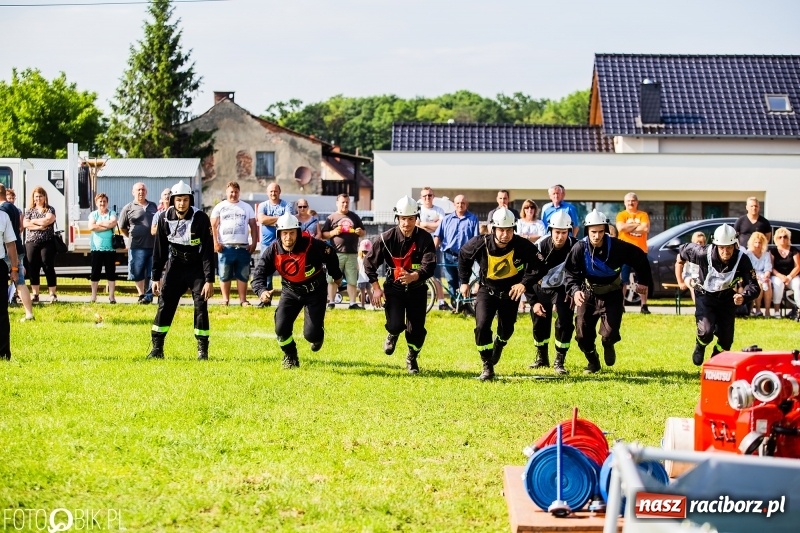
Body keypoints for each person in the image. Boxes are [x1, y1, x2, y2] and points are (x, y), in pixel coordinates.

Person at [459, 207, 543, 381]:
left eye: (509, 230)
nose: (505, 234)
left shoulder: (522, 245)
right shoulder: (480, 243)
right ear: (493, 229)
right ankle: (487, 365)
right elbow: (463, 256)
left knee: (507, 329)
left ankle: (500, 343)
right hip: (486, 291)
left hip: (510, 294)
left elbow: (539, 266)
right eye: (501, 230)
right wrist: (464, 281)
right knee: (482, 327)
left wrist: (523, 284)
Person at [564, 210, 653, 373]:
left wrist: (643, 282)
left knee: (609, 334)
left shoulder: (617, 247)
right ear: (587, 231)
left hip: (612, 294)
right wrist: (575, 290)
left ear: (605, 230)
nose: (596, 236)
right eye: (593, 232)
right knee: (582, 335)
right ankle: (593, 361)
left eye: (600, 232)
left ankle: (608, 344)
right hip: (588, 293)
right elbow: (570, 272)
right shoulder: (579, 248)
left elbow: (639, 257)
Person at [251, 213, 343, 368]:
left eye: (291, 233)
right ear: (279, 234)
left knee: (311, 335)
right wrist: (261, 291)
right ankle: (290, 356)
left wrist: (336, 275)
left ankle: (317, 336)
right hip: (290, 292)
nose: (288, 237)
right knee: (280, 328)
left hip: (315, 291)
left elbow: (331, 253)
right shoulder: (273, 250)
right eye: (284, 233)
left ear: (298, 233)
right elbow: (258, 274)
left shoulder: (312, 245)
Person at [364, 197, 436, 374]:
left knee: (416, 331)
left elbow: (430, 265)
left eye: (411, 218)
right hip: (393, 289)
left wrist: (414, 276)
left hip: (417, 290)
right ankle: (393, 334)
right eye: (403, 218)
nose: (407, 223)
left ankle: (412, 357)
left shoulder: (425, 239)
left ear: (416, 218)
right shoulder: (386, 238)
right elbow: (369, 263)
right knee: (395, 324)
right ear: (397, 218)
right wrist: (376, 288)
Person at [147, 181, 214, 361]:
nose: (182, 204)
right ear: (173, 201)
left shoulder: (201, 218)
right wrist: (155, 277)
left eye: (185, 200)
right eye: (178, 200)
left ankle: (202, 351)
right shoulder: (163, 218)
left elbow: (208, 250)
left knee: (201, 306)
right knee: (165, 303)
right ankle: (157, 349)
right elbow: (159, 250)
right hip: (175, 265)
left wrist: (209, 280)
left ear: (190, 200)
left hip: (196, 266)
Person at [675, 224, 759, 365]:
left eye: (729, 247)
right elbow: (682, 251)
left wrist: (744, 296)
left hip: (727, 299)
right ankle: (700, 345)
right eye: (721, 248)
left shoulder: (742, 260)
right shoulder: (701, 253)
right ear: (715, 245)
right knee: (706, 332)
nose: (725, 252)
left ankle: (715, 361)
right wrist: (680, 263)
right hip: (705, 296)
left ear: (735, 245)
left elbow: (754, 286)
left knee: (726, 341)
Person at [527, 212, 576, 375]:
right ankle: (542, 357)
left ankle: (559, 360)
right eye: (557, 232)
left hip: (564, 289)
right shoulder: (539, 246)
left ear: (569, 231)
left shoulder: (576, 246)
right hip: (541, 287)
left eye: (564, 233)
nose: (560, 237)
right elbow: (528, 274)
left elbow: (582, 271)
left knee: (564, 320)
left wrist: (575, 290)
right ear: (550, 230)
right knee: (539, 320)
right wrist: (533, 302)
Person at [211, 181, 258, 306]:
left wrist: (253, 243)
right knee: (224, 273)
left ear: (239, 193)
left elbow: (253, 226)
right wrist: (215, 242)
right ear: (227, 192)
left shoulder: (246, 207)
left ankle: (243, 300)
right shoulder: (220, 207)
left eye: (236, 192)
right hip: (225, 247)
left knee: (243, 274)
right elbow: (213, 226)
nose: (233, 194)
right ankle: (225, 299)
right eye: (231, 192)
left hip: (242, 247)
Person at [434, 195, 480, 307]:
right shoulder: (446, 219)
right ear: (454, 204)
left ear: (466, 204)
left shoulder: (473, 219)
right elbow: (438, 236)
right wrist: (431, 251)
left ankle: (464, 306)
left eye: (463, 203)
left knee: (463, 281)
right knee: (451, 280)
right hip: (448, 255)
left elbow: (475, 239)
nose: (460, 205)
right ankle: (455, 305)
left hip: (465, 256)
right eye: (458, 203)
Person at [321, 194, 366, 310]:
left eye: (347, 202)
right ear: (337, 203)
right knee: (332, 278)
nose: (345, 204)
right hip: (336, 253)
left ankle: (352, 303)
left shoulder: (354, 217)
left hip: (352, 253)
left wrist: (359, 232)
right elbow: (323, 235)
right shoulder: (331, 218)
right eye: (343, 202)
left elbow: (363, 232)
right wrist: (333, 232)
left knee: (352, 279)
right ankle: (331, 302)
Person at [256, 183, 295, 307]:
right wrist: (279, 219)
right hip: (266, 245)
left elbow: (287, 220)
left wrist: (270, 219)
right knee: (266, 273)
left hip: (283, 245)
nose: (273, 193)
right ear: (268, 193)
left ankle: (288, 299)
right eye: (271, 191)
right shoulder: (263, 205)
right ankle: (265, 299)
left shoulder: (286, 205)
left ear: (280, 191)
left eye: (275, 191)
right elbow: (262, 220)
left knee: (287, 271)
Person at [119, 182, 158, 304]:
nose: (141, 192)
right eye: (138, 190)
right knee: (138, 271)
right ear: (133, 192)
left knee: (153, 271)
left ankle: (149, 295)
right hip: (136, 246)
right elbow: (122, 227)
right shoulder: (128, 208)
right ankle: (141, 294)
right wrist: (132, 235)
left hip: (153, 245)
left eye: (143, 189)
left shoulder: (153, 206)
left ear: (146, 192)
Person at [0, 186, 34, 322]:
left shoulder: (3, 210)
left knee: (18, 281)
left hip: (7, 250)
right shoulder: (15, 208)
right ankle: (29, 312)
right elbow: (20, 228)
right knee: (20, 281)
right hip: (17, 246)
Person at [615, 192, 652, 314]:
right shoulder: (621, 215)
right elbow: (620, 228)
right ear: (624, 202)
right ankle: (620, 305)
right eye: (628, 201)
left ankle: (644, 306)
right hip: (624, 251)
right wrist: (637, 225)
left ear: (637, 202)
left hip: (640, 251)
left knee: (642, 280)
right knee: (623, 280)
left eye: (633, 200)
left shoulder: (643, 215)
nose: (631, 203)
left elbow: (645, 229)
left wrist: (628, 226)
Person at [23, 186, 58, 304]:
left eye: (40, 196)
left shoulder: (50, 209)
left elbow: (48, 220)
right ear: (33, 198)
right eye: (36, 196)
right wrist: (39, 226)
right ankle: (35, 294)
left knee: (48, 266)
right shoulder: (29, 211)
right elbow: (25, 224)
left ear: (45, 197)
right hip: (31, 242)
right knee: (33, 267)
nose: (38, 198)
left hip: (47, 242)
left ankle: (52, 294)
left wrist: (33, 221)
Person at [417, 187, 448, 310]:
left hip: (436, 247)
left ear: (433, 196)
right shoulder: (418, 210)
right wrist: (433, 226)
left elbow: (442, 227)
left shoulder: (439, 210)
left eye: (429, 195)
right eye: (424, 196)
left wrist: (424, 224)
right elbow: (417, 227)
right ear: (421, 197)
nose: (427, 198)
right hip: (421, 247)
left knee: (436, 274)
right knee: (419, 273)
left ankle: (441, 302)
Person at [87, 193, 118, 304]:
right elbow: (91, 226)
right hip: (96, 248)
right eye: (100, 201)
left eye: (104, 201)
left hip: (110, 248)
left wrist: (99, 224)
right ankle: (94, 296)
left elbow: (113, 222)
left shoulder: (112, 213)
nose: (102, 203)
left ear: (107, 202)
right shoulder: (93, 214)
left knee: (111, 273)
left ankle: (112, 297)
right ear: (96, 203)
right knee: (95, 273)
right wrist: (106, 225)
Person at [0, 206, 20, 360]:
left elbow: (11, 244)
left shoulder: (3, 216)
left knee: (1, 312)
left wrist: (14, 268)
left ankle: (3, 353)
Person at [769, 227, 800, 317]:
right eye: (780, 237)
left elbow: (798, 266)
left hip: (792, 276)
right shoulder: (773, 251)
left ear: (788, 238)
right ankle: (777, 311)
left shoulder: (794, 250)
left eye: (785, 237)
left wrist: (789, 277)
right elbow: (771, 267)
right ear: (776, 239)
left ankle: (799, 310)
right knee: (778, 284)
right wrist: (781, 276)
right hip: (777, 276)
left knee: (798, 284)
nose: (783, 239)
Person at [745, 232, 772, 318]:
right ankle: (758, 309)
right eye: (755, 242)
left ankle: (767, 311)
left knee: (768, 284)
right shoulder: (748, 254)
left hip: (763, 275)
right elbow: (747, 268)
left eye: (760, 242)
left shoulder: (766, 254)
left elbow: (768, 268)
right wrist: (755, 276)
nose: (757, 245)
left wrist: (767, 275)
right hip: (752, 275)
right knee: (758, 284)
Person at [682, 231, 706, 304]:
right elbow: (679, 264)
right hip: (688, 275)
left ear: (704, 243)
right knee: (694, 284)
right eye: (696, 242)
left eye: (701, 242)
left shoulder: (705, 254)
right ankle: (697, 306)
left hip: (700, 276)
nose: (698, 244)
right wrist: (680, 282)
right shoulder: (688, 252)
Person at [356, 239, 373, 308]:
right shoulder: (370, 259)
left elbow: (357, 268)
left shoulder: (358, 258)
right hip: (368, 278)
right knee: (369, 292)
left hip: (361, 278)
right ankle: (372, 305)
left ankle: (362, 306)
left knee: (362, 292)